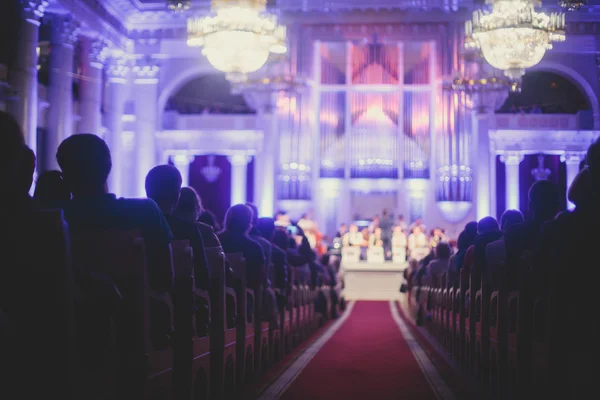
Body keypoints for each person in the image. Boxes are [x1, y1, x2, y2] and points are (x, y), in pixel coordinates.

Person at [56, 134, 174, 292]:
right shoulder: (146, 211)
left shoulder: (54, 217)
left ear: (65, 177)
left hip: (70, 314)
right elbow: (164, 280)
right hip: (136, 312)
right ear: (109, 167)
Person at [145, 166, 210, 290]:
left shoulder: (134, 226)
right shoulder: (189, 230)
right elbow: (203, 279)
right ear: (177, 196)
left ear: (147, 191)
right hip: (180, 302)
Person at [504, 180, 559, 289]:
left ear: (530, 205)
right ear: (557, 205)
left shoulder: (513, 233)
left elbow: (510, 274)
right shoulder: (565, 231)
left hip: (522, 298)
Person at [218, 204, 266, 289]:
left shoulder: (215, 241)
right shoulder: (255, 248)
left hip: (215, 293)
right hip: (245, 297)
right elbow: (259, 280)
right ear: (248, 223)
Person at [485, 209, 524, 287]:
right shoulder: (530, 245)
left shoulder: (492, 247)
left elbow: (491, 279)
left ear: (502, 226)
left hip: (499, 293)